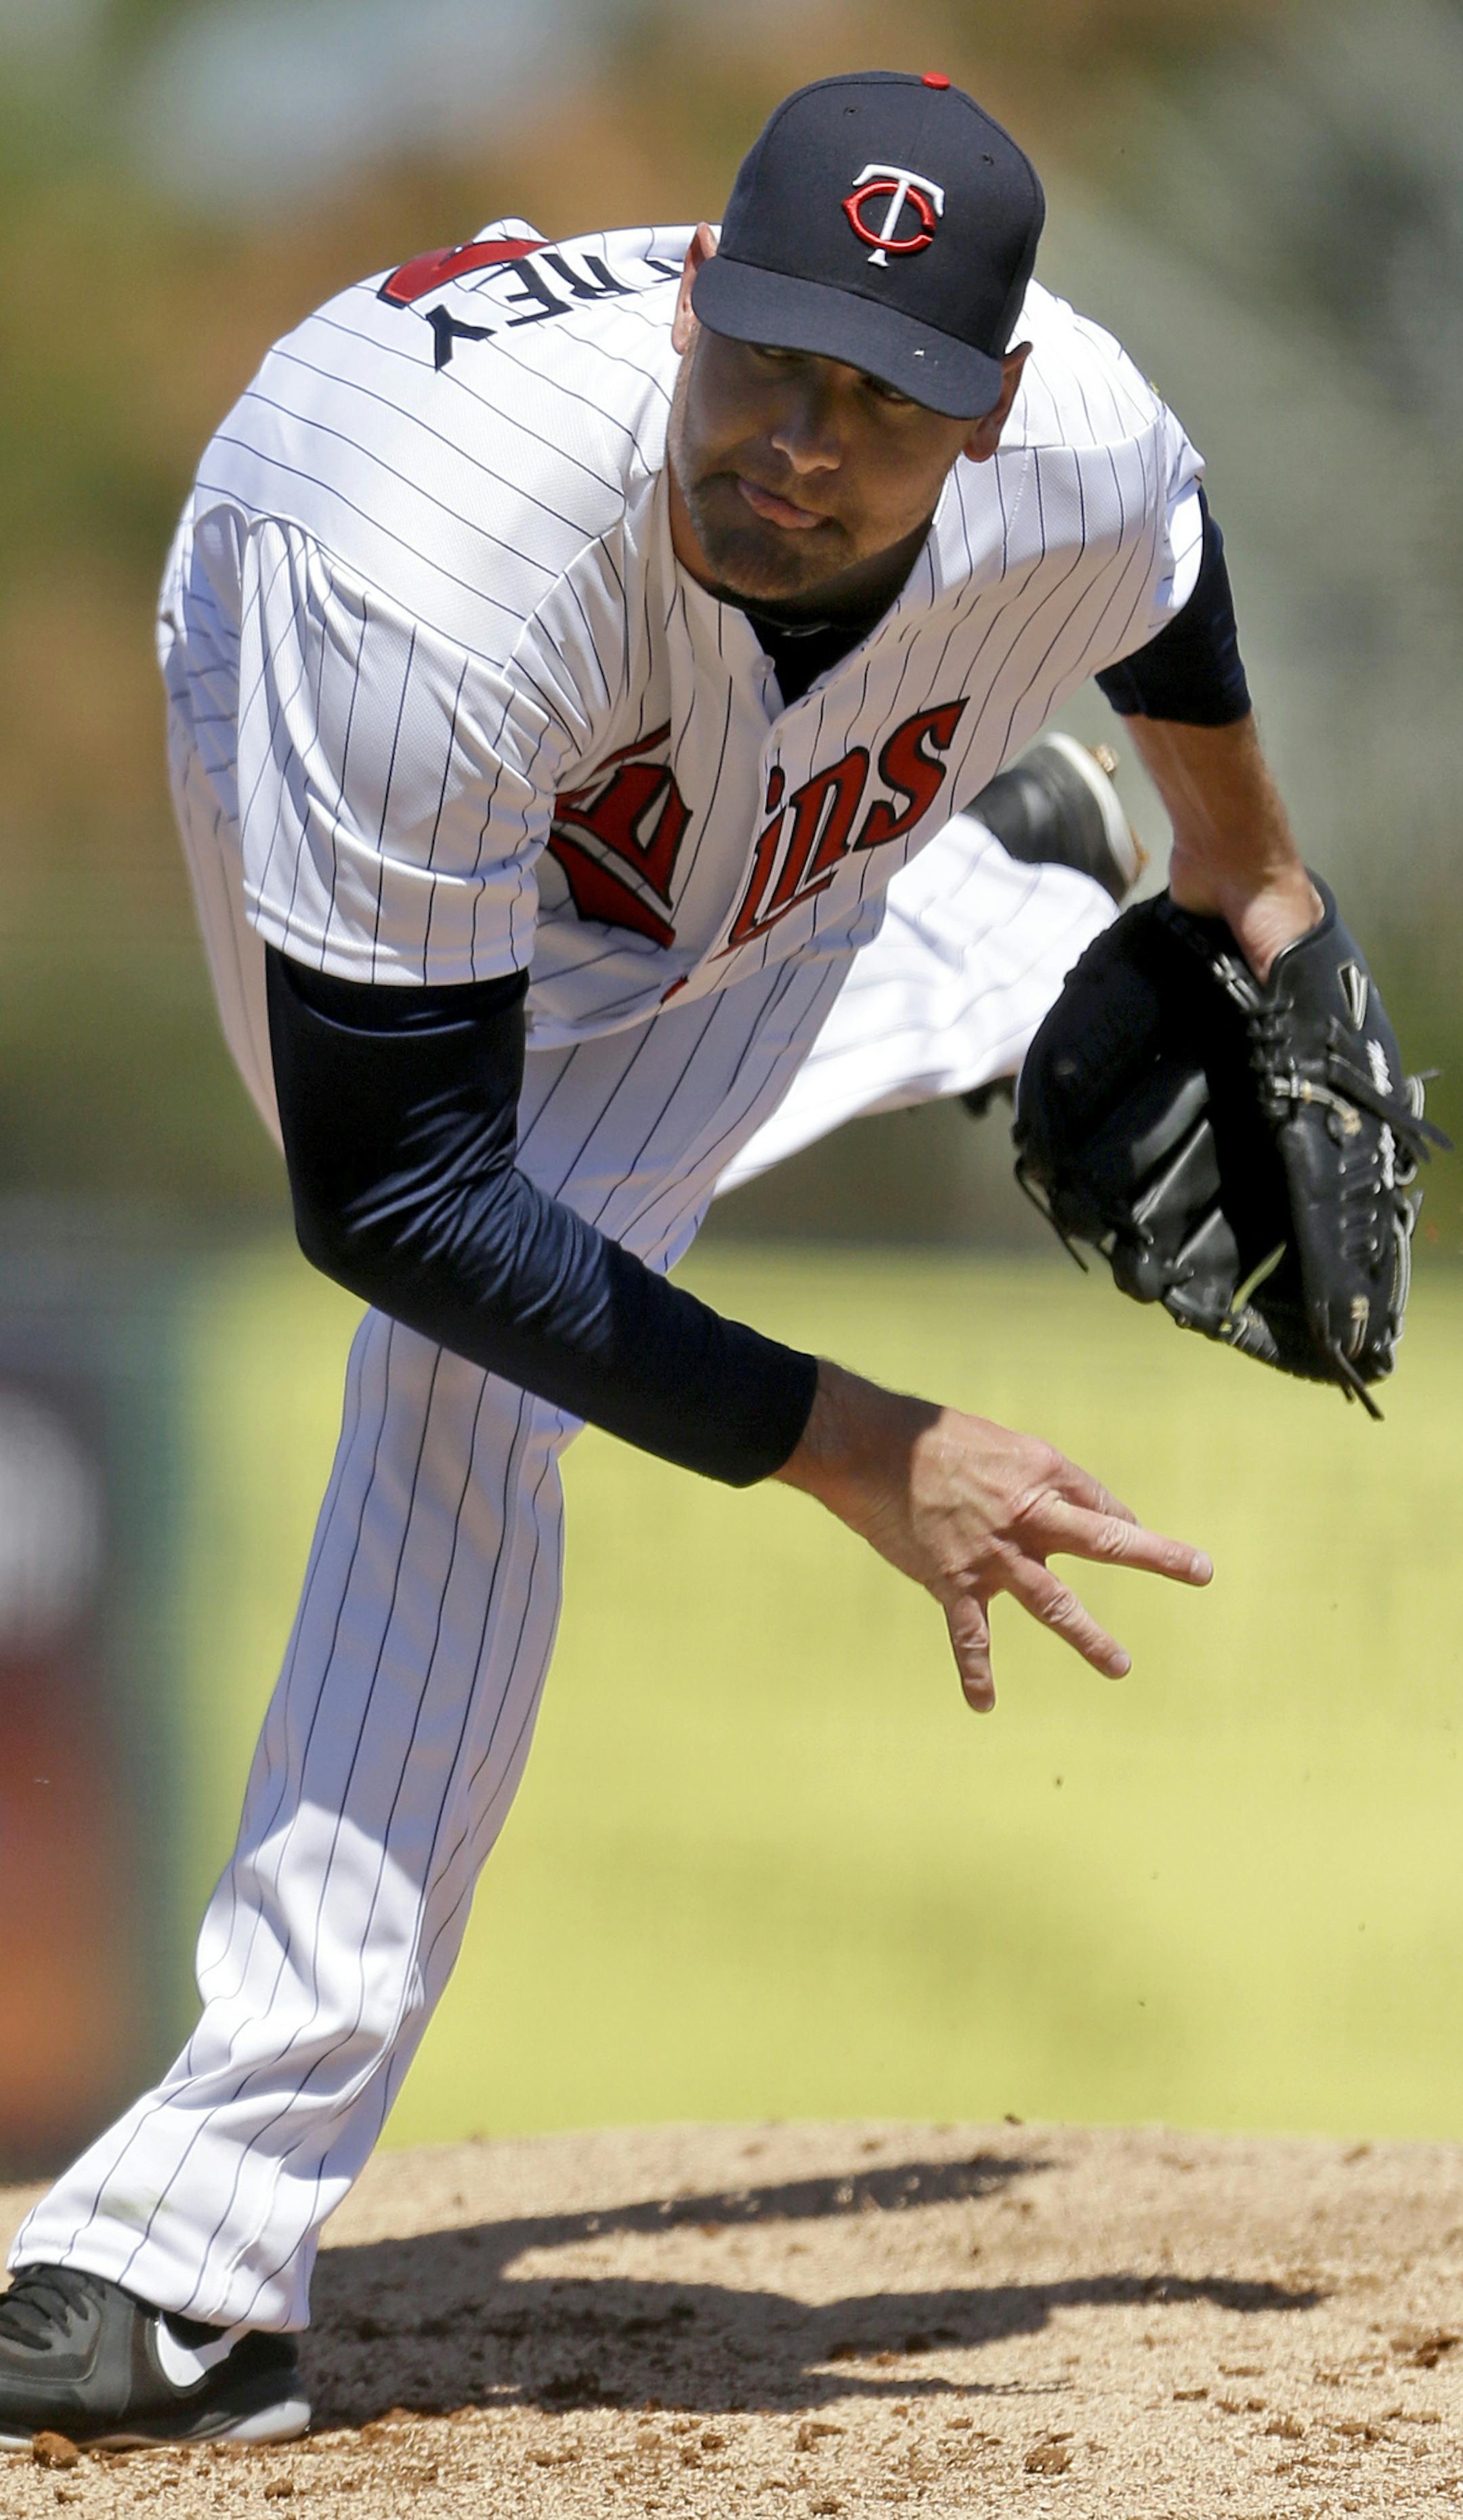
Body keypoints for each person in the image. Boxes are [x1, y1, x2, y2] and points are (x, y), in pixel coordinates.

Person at [3, 66, 1321, 2448]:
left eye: (884, 401)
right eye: (772, 358)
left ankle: (181, 2253)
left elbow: (1171, 554)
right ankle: (957, 898)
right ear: (694, 288)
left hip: (671, 806)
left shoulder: (1080, 442)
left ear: (991, 413)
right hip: (337, 701)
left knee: (480, 1388)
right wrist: (858, 1440)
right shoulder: (418, 571)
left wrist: (1248, 868)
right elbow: (395, 1194)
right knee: (477, 1271)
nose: (799, 442)